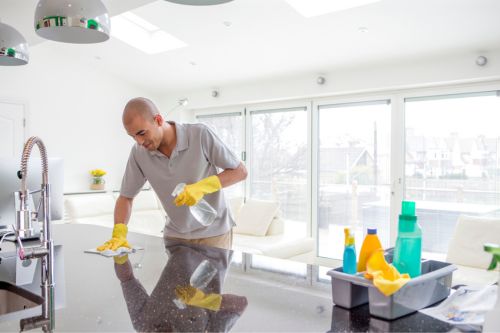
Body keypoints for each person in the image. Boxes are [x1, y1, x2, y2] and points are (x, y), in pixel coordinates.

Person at [97, 97, 247, 251]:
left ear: (158, 120)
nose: (139, 141)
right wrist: (119, 234)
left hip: (214, 233)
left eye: (142, 133)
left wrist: (201, 187)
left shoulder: (200, 134)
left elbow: (240, 172)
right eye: (133, 136)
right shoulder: (138, 153)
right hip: (175, 236)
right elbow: (125, 197)